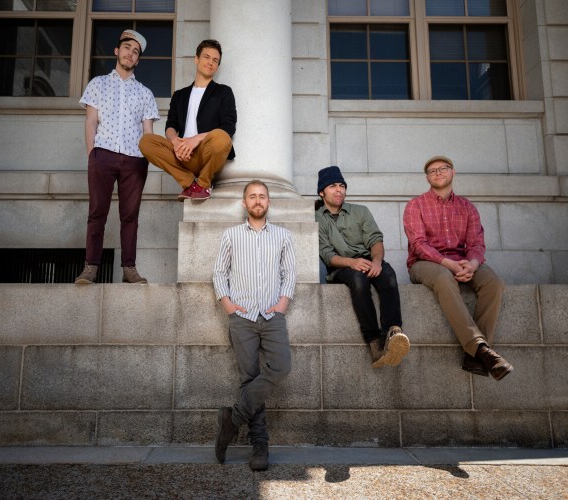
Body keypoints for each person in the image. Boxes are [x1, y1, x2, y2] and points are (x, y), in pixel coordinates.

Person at [403, 155, 513, 380]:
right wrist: (450, 265)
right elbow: (419, 245)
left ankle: (475, 357)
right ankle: (480, 348)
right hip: (426, 264)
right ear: (427, 178)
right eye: (432, 171)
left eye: (443, 168)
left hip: (462, 260)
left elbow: (476, 243)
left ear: (453, 172)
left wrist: (472, 264)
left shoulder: (467, 207)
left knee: (493, 282)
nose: (438, 173)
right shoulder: (415, 205)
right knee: (444, 278)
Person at [212, 180, 296, 471]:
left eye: (262, 196)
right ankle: (259, 445)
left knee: (282, 366)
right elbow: (219, 273)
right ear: (244, 203)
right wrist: (229, 306)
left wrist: (282, 305)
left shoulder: (283, 236)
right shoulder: (231, 235)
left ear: (268, 202)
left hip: (273, 316)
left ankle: (232, 419)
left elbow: (290, 274)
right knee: (249, 379)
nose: (258, 200)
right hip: (242, 318)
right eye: (252, 196)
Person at [74, 29, 159, 285]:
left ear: (137, 60)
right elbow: (90, 123)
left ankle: (129, 269)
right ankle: (90, 267)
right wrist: (93, 156)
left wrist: (148, 159)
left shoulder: (145, 93)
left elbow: (148, 134)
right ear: (117, 51)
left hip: (135, 160)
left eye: (135, 52)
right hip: (103, 155)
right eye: (127, 48)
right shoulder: (97, 84)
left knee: (130, 216)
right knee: (97, 212)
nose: (130, 54)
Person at [316, 166, 409, 368]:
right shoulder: (318, 218)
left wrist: (376, 262)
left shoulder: (360, 211)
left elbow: (375, 240)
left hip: (368, 260)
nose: (339, 190)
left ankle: (393, 332)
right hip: (342, 267)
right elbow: (327, 254)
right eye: (333, 186)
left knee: (387, 274)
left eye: (342, 186)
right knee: (358, 281)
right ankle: (374, 342)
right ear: (322, 192)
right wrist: (352, 263)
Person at [139, 39, 236, 201]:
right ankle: (190, 184)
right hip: (183, 154)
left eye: (215, 60)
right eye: (206, 57)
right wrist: (175, 141)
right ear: (196, 59)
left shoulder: (223, 92)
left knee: (222, 137)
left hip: (208, 152)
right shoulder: (180, 95)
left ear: (218, 66)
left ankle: (204, 185)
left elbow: (228, 127)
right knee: (146, 141)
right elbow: (171, 125)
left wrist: (195, 140)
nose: (210, 62)